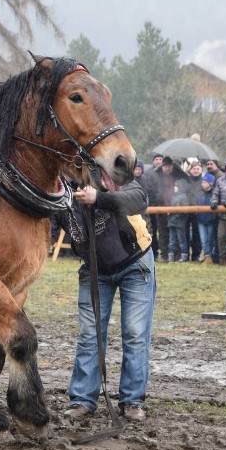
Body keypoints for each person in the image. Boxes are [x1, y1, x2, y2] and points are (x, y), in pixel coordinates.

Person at [61, 177, 155, 422]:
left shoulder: (108, 171)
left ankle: (132, 401)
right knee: (89, 335)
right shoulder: (57, 189)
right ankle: (82, 400)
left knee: (135, 333)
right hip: (94, 269)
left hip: (135, 263)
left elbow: (139, 198)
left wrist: (99, 197)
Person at [153, 155, 187, 262]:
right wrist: (160, 200)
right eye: (165, 166)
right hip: (161, 208)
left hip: (175, 208)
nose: (167, 168)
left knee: (176, 233)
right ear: (162, 166)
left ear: (172, 166)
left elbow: (185, 182)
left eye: (169, 166)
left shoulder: (178, 175)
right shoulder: (157, 175)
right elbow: (155, 190)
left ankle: (176, 254)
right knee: (163, 233)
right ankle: (164, 254)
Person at [210, 157, 226, 265]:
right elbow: (215, 193)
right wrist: (214, 201)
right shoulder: (220, 180)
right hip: (223, 215)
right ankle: (223, 259)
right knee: (221, 237)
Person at [196, 173, 218, 263]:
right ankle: (207, 255)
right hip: (201, 220)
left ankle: (211, 255)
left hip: (211, 220)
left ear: (211, 183)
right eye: (203, 182)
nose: (203, 184)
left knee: (210, 239)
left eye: (205, 182)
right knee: (203, 239)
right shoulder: (199, 193)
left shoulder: (214, 194)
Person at [167, 178, 190, 262]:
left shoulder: (184, 197)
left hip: (179, 222)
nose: (174, 187)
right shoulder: (173, 197)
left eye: (176, 186)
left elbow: (185, 210)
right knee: (172, 240)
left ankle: (184, 255)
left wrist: (177, 211)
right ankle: (171, 255)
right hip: (172, 221)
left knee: (181, 239)